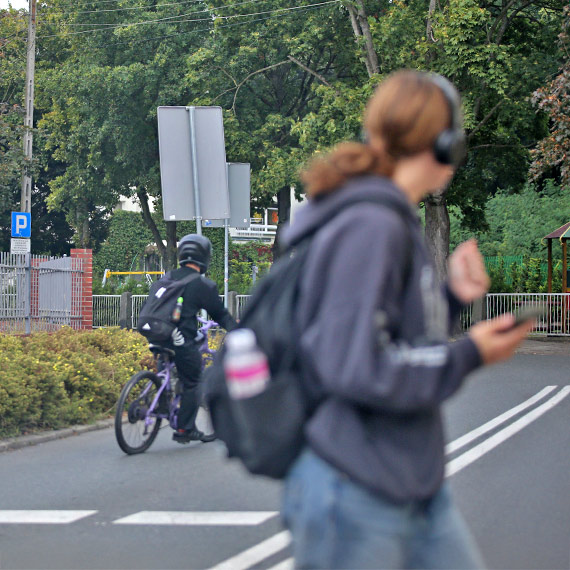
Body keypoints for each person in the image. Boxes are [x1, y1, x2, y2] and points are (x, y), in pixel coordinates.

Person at [279, 70, 534, 569]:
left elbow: (399, 340)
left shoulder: (394, 218)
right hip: (355, 490)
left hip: (409, 484)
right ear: (442, 144)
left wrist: (453, 300)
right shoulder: (370, 225)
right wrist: (470, 353)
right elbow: (357, 365)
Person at [167, 234, 237, 444]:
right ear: (205, 257)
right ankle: (184, 429)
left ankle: (161, 396)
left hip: (154, 332)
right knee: (194, 380)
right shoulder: (201, 284)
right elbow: (220, 315)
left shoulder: (167, 277)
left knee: (172, 365)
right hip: (180, 338)